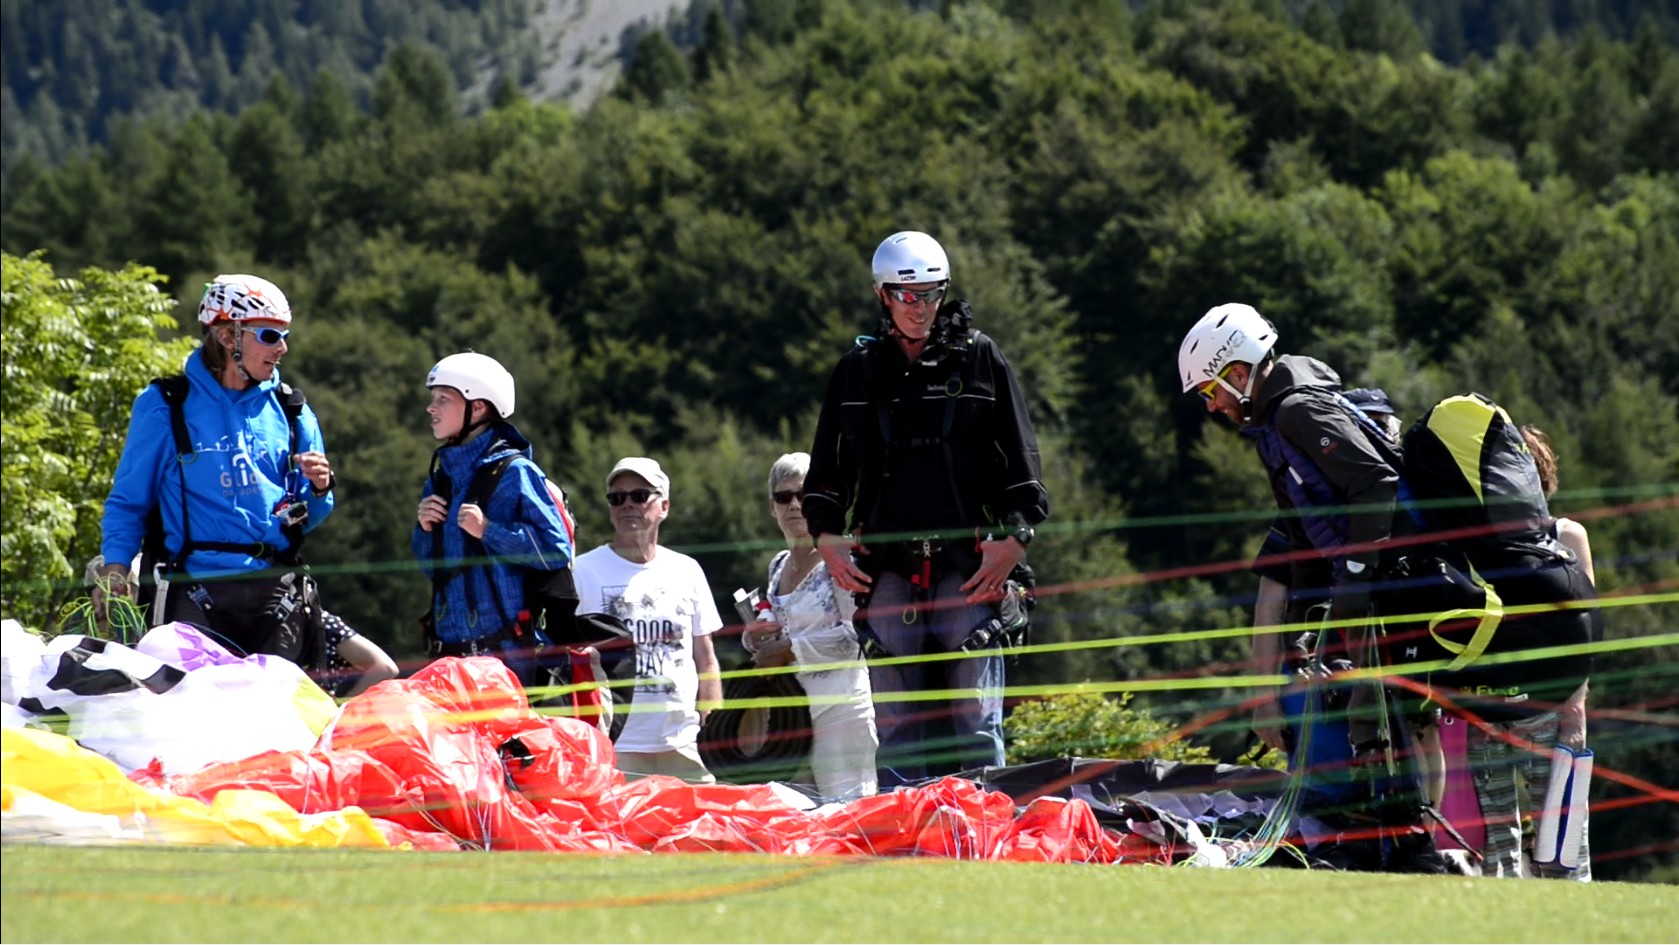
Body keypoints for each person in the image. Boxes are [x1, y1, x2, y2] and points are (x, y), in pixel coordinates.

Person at [1178, 302, 1446, 871]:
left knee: (1389, 718)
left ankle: (1415, 852)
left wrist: (1355, 577)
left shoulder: (1299, 409)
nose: (1212, 405)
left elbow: (1376, 482)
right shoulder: (1272, 428)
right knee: (1362, 718)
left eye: (1211, 390)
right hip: (1361, 587)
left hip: (1392, 582)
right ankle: (1373, 849)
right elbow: (1303, 538)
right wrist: (1304, 627)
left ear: (1239, 372)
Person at [803, 230, 1049, 787]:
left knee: (976, 721)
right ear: (882, 295)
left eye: (933, 295)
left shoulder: (981, 357)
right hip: (888, 568)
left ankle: (987, 829)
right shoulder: (855, 371)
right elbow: (826, 473)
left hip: (969, 566)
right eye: (908, 296)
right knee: (896, 727)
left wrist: (1016, 539)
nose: (921, 308)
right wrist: (827, 537)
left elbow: (1023, 460)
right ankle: (904, 831)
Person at [92, 274, 336, 662]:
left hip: (277, 592)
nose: (283, 348)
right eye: (269, 336)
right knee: (195, 703)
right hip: (193, 590)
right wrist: (115, 568)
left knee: (278, 704)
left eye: (284, 335)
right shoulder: (165, 405)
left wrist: (320, 490)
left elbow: (307, 518)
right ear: (226, 337)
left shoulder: (293, 412)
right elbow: (128, 501)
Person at [1453, 424, 1595, 881]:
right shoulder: (1475, 540)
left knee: (1561, 836)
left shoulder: (1565, 534)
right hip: (1494, 702)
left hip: (1544, 703)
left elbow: (1585, 632)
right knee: (1500, 843)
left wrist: (1575, 709)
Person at [413, 352, 573, 686]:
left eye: (443, 399)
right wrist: (425, 530)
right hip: (448, 660)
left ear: (478, 408)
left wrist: (488, 531)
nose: (431, 408)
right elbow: (432, 569)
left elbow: (556, 550)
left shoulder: (516, 472)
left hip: (508, 662)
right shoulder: (442, 478)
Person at [572, 457, 723, 784]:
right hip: (615, 743)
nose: (627, 504)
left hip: (685, 741)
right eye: (617, 498)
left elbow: (705, 655)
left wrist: (713, 723)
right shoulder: (582, 570)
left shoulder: (687, 569)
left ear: (664, 506)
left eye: (639, 496)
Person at [741, 452, 879, 800]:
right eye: (782, 497)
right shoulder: (778, 564)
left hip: (841, 710)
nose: (793, 505)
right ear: (772, 508)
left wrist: (788, 650)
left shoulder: (842, 558)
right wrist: (755, 636)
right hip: (790, 715)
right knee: (793, 817)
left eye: (803, 495)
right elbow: (776, 624)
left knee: (848, 816)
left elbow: (857, 637)